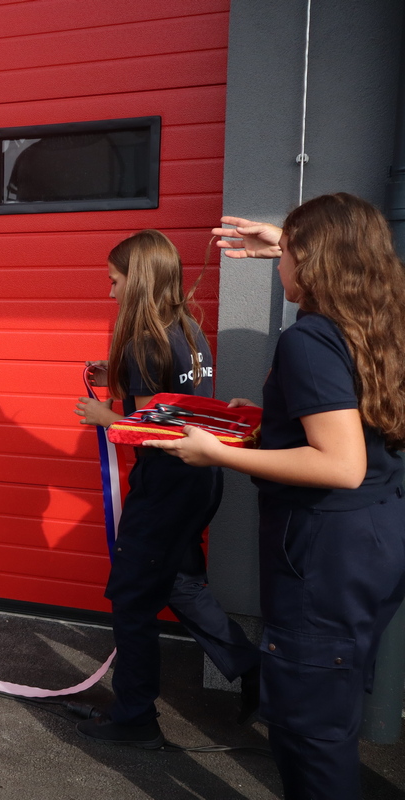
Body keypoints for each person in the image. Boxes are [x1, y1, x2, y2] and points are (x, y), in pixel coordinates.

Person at [148, 194, 405, 798]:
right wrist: (276, 420)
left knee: (310, 733)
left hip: (325, 557)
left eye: (287, 253)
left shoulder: (310, 339)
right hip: (376, 540)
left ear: (311, 260)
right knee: (332, 700)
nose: (279, 263)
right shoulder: (383, 319)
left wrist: (218, 453)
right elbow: (354, 425)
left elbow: (340, 463)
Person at [74, 230, 260, 747]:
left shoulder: (143, 342)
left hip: (165, 489)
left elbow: (152, 430)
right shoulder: (187, 329)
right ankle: (255, 671)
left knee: (132, 600)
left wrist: (104, 416)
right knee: (179, 583)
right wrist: (115, 374)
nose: (110, 292)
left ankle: (134, 719)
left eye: (115, 281)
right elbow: (174, 403)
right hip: (199, 483)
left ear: (137, 280)